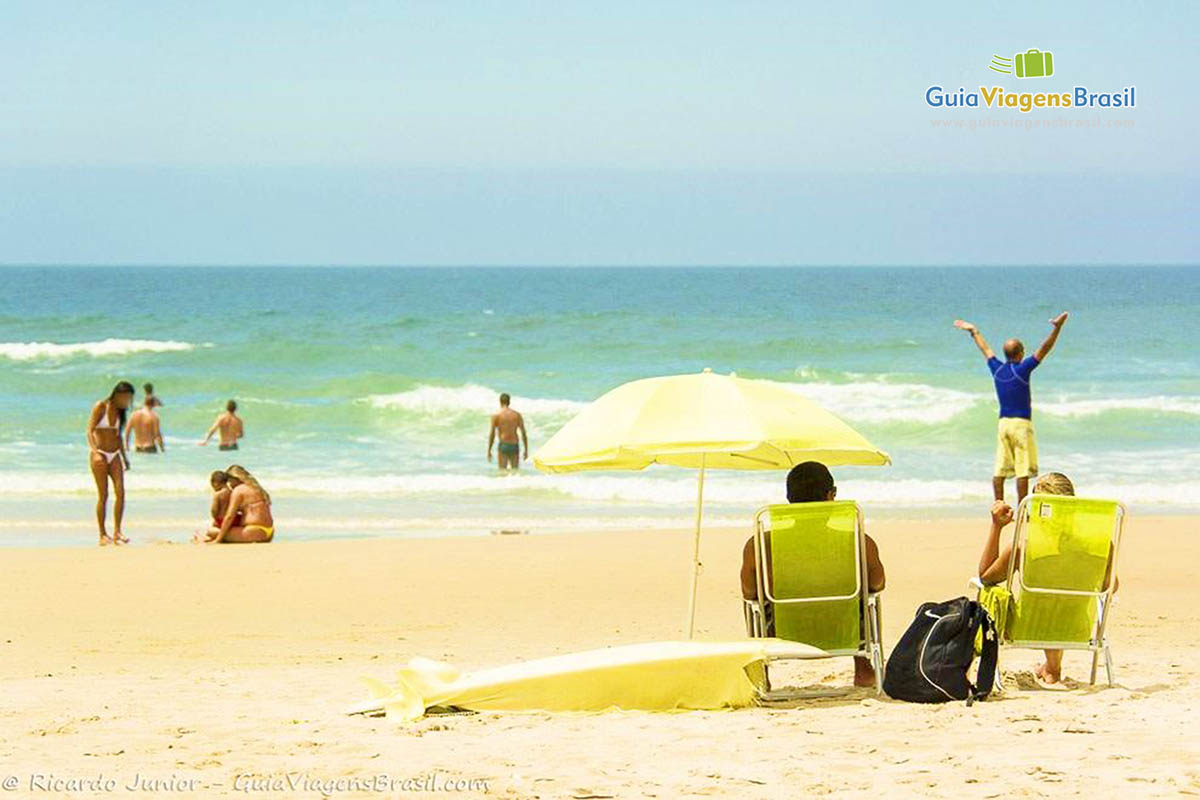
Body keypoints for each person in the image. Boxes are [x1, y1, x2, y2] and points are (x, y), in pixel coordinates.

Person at [739, 461, 886, 687]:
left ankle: (761, 675)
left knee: (753, 603)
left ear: (789, 500)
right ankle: (864, 669)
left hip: (781, 633)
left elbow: (749, 592)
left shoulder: (759, 545)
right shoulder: (858, 542)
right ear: (831, 495)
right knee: (866, 597)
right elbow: (878, 584)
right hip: (846, 632)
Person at [975, 471, 1113, 688]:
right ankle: (1052, 669)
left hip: (1027, 628)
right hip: (1077, 628)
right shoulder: (1099, 547)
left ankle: (1050, 667)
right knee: (1060, 597)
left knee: (992, 591)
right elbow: (1110, 587)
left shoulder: (1024, 548)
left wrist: (996, 526)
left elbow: (985, 577)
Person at [954, 312, 1069, 503]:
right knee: (1021, 470)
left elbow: (986, 349)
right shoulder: (1023, 370)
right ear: (1020, 354)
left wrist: (973, 331)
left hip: (1003, 424)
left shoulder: (997, 369)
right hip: (1020, 425)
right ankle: (1022, 507)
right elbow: (1044, 348)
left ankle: (998, 505)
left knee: (1000, 469)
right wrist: (1057, 328)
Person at [86, 381, 135, 546]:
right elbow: (90, 430)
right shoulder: (101, 406)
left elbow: (118, 436)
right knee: (104, 495)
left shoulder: (121, 412)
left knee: (121, 492)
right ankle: (102, 534)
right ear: (117, 395)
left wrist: (125, 458)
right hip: (99, 453)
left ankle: (117, 531)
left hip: (114, 455)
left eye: (129, 399)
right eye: (125, 397)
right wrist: (95, 452)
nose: (127, 401)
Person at [202, 465, 274, 543]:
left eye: (229, 481)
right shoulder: (256, 488)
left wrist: (218, 539)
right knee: (218, 528)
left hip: (254, 531)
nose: (229, 485)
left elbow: (229, 517)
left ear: (234, 479)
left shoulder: (238, 490)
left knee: (211, 532)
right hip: (269, 532)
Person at [487, 393, 528, 470]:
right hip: (514, 445)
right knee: (515, 471)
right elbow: (523, 433)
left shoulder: (496, 416)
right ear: (509, 402)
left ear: (500, 402)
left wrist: (489, 450)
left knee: (502, 472)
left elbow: (492, 434)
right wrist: (526, 450)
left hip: (503, 445)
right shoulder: (517, 415)